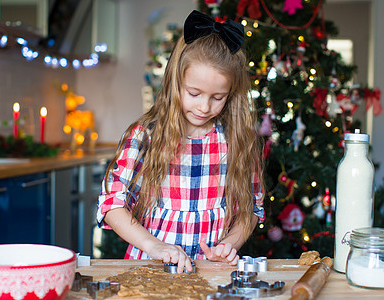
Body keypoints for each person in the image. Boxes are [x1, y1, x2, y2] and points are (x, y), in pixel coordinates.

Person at [97, 10, 265, 273]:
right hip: (149, 270)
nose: (204, 106)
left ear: (231, 93)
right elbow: (112, 204)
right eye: (194, 93)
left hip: (212, 272)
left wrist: (229, 244)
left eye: (218, 97)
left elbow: (252, 206)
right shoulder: (146, 135)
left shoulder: (237, 140)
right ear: (176, 81)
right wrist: (154, 246)